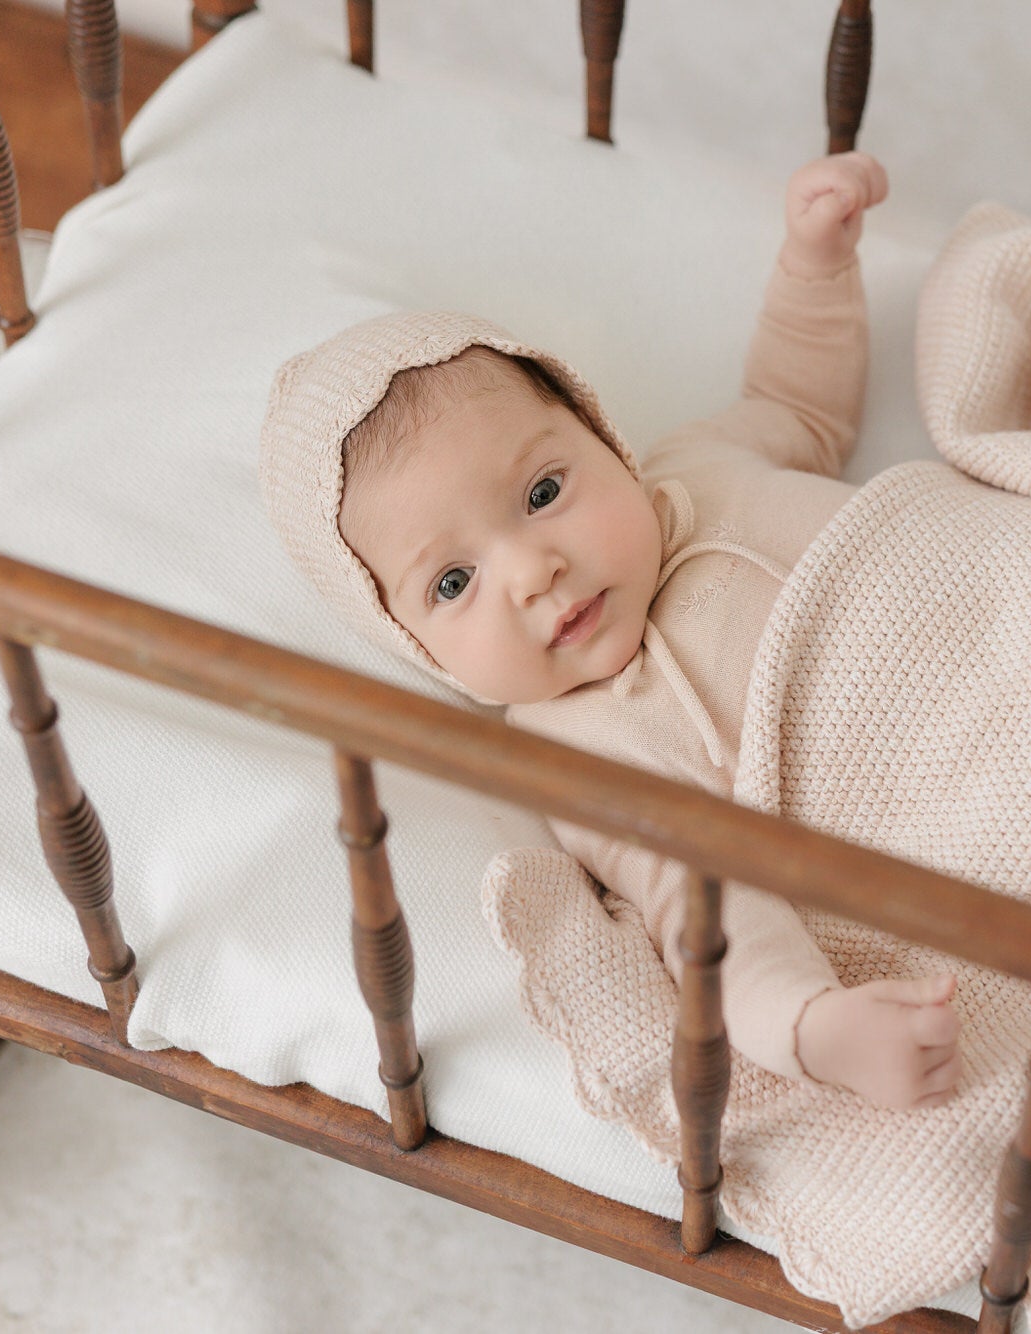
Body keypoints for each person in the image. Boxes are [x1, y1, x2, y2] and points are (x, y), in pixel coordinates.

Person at [259, 152, 960, 1110]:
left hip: (1029, 591)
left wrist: (815, 263)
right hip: (967, 770)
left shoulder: (694, 466)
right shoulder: (586, 749)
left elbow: (798, 407)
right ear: (414, 645)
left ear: (603, 437)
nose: (532, 570)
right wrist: (814, 1028)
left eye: (544, 492)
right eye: (454, 581)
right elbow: (703, 907)